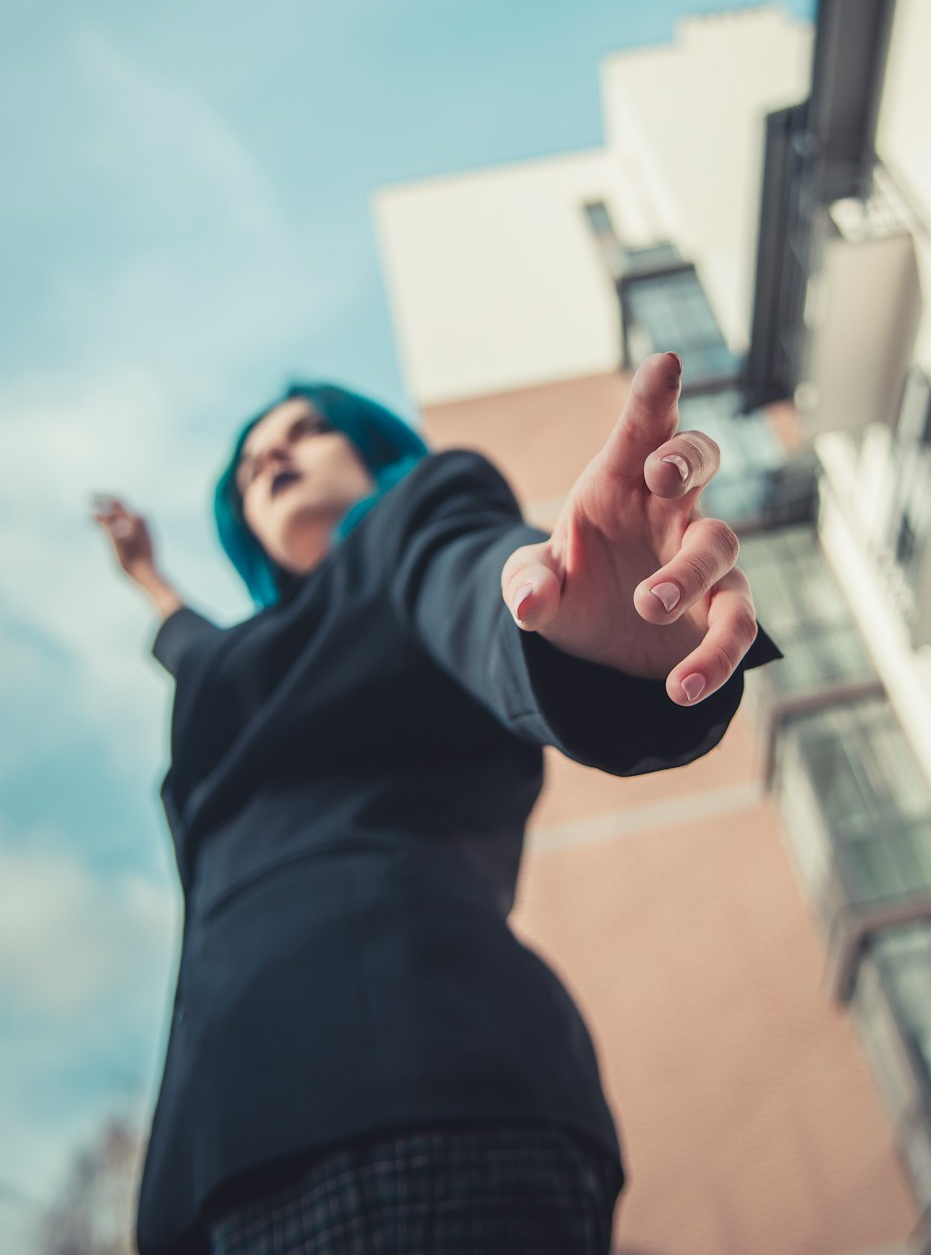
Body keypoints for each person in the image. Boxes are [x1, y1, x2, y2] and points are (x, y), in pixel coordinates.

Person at [91, 350, 779, 1255]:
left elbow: (472, 581)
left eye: (307, 430)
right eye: (253, 466)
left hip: (404, 1094)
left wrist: (591, 637)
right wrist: (149, 579)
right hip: (213, 1161)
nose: (274, 459)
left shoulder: (416, 524)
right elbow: (201, 655)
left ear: (373, 453)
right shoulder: (241, 665)